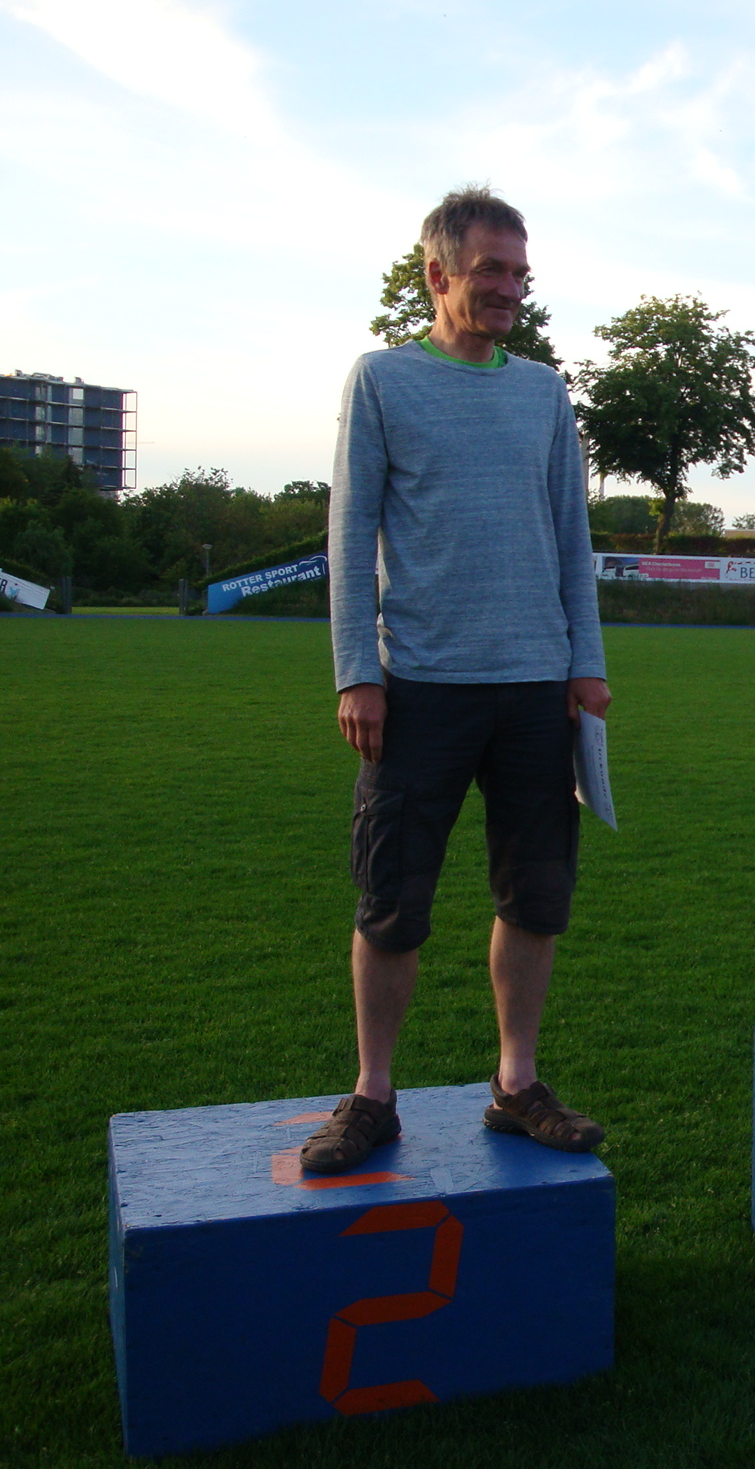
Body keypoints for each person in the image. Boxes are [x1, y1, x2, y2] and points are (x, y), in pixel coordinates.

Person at [302, 185, 611, 1173]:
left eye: (520, 273)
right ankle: (372, 1095)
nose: (510, 288)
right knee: (392, 901)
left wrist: (587, 663)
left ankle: (517, 1085)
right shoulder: (382, 380)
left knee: (536, 898)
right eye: (490, 271)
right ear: (437, 275)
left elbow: (571, 537)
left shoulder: (543, 391)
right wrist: (357, 673)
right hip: (418, 689)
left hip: (535, 691)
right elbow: (348, 532)